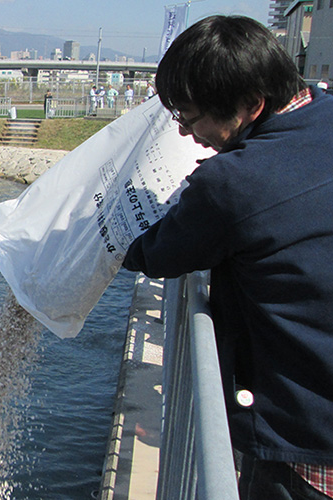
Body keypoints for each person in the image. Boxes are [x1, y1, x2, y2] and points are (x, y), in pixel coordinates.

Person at [121, 15, 333, 499]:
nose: (188, 134)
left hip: (306, 442)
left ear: (250, 105)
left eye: (192, 119)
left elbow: (155, 255)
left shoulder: (236, 182)